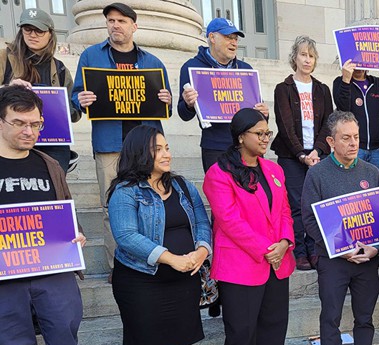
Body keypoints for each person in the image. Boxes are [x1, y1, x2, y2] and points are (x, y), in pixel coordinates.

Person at [71, 2, 173, 280]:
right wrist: (79, 100)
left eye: (122, 21)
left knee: (151, 202)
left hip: (145, 145)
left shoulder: (153, 62)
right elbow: (75, 98)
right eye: (111, 20)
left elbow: (167, 105)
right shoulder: (91, 56)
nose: (115, 25)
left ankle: (153, 257)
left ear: (134, 26)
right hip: (109, 143)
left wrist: (168, 100)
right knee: (111, 205)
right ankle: (119, 267)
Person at [107, 126, 211, 345]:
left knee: (182, 338)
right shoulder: (125, 191)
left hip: (183, 278)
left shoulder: (183, 185)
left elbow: (202, 222)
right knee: (145, 343)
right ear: (140, 153)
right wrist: (171, 258)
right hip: (140, 280)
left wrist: (201, 251)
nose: (166, 154)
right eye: (158, 150)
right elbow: (126, 236)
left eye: (167, 148)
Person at [0, 85, 87, 345]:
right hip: (6, 277)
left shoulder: (49, 164)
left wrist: (75, 234)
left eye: (36, 124)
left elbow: (65, 208)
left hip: (54, 272)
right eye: (19, 123)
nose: (29, 131)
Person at [203, 108, 295, 345]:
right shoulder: (218, 173)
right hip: (240, 266)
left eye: (268, 132)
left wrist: (284, 243)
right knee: (242, 334)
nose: (266, 138)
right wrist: (266, 249)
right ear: (241, 137)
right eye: (259, 133)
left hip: (276, 264)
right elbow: (229, 220)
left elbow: (284, 211)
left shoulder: (274, 169)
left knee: (274, 328)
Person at [302, 111, 379, 345]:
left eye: (356, 137)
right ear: (330, 141)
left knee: (365, 316)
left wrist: (376, 248)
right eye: (346, 138)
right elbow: (309, 219)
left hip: (366, 259)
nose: (353, 143)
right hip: (333, 260)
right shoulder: (317, 174)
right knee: (331, 315)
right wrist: (339, 249)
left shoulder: (372, 172)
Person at [272, 35, 333, 271]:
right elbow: (285, 127)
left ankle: (315, 248)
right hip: (292, 156)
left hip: (318, 154)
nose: (307, 60)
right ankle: (299, 251)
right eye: (303, 55)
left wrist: (317, 150)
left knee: (317, 204)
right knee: (296, 205)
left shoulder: (322, 89)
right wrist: (302, 155)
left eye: (311, 56)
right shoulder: (283, 89)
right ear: (294, 58)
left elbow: (328, 123)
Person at [178, 18, 270, 171]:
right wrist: (188, 104)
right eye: (228, 37)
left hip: (247, 145)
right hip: (215, 146)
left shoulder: (245, 70)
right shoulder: (191, 67)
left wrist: (263, 114)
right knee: (219, 193)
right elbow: (183, 114)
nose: (234, 43)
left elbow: (253, 114)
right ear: (212, 38)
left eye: (235, 38)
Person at [332, 59, 379, 263]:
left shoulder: (376, 83)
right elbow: (342, 110)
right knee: (352, 197)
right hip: (356, 149)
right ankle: (352, 243)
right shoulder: (340, 82)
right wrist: (345, 78)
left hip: (377, 148)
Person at [1, 8, 81, 172]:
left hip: (53, 143)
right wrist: (7, 88)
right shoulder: (4, 58)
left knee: (52, 187)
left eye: (39, 30)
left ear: (50, 33)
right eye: (27, 29)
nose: (32, 34)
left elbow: (74, 113)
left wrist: (79, 103)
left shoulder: (59, 68)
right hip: (13, 140)